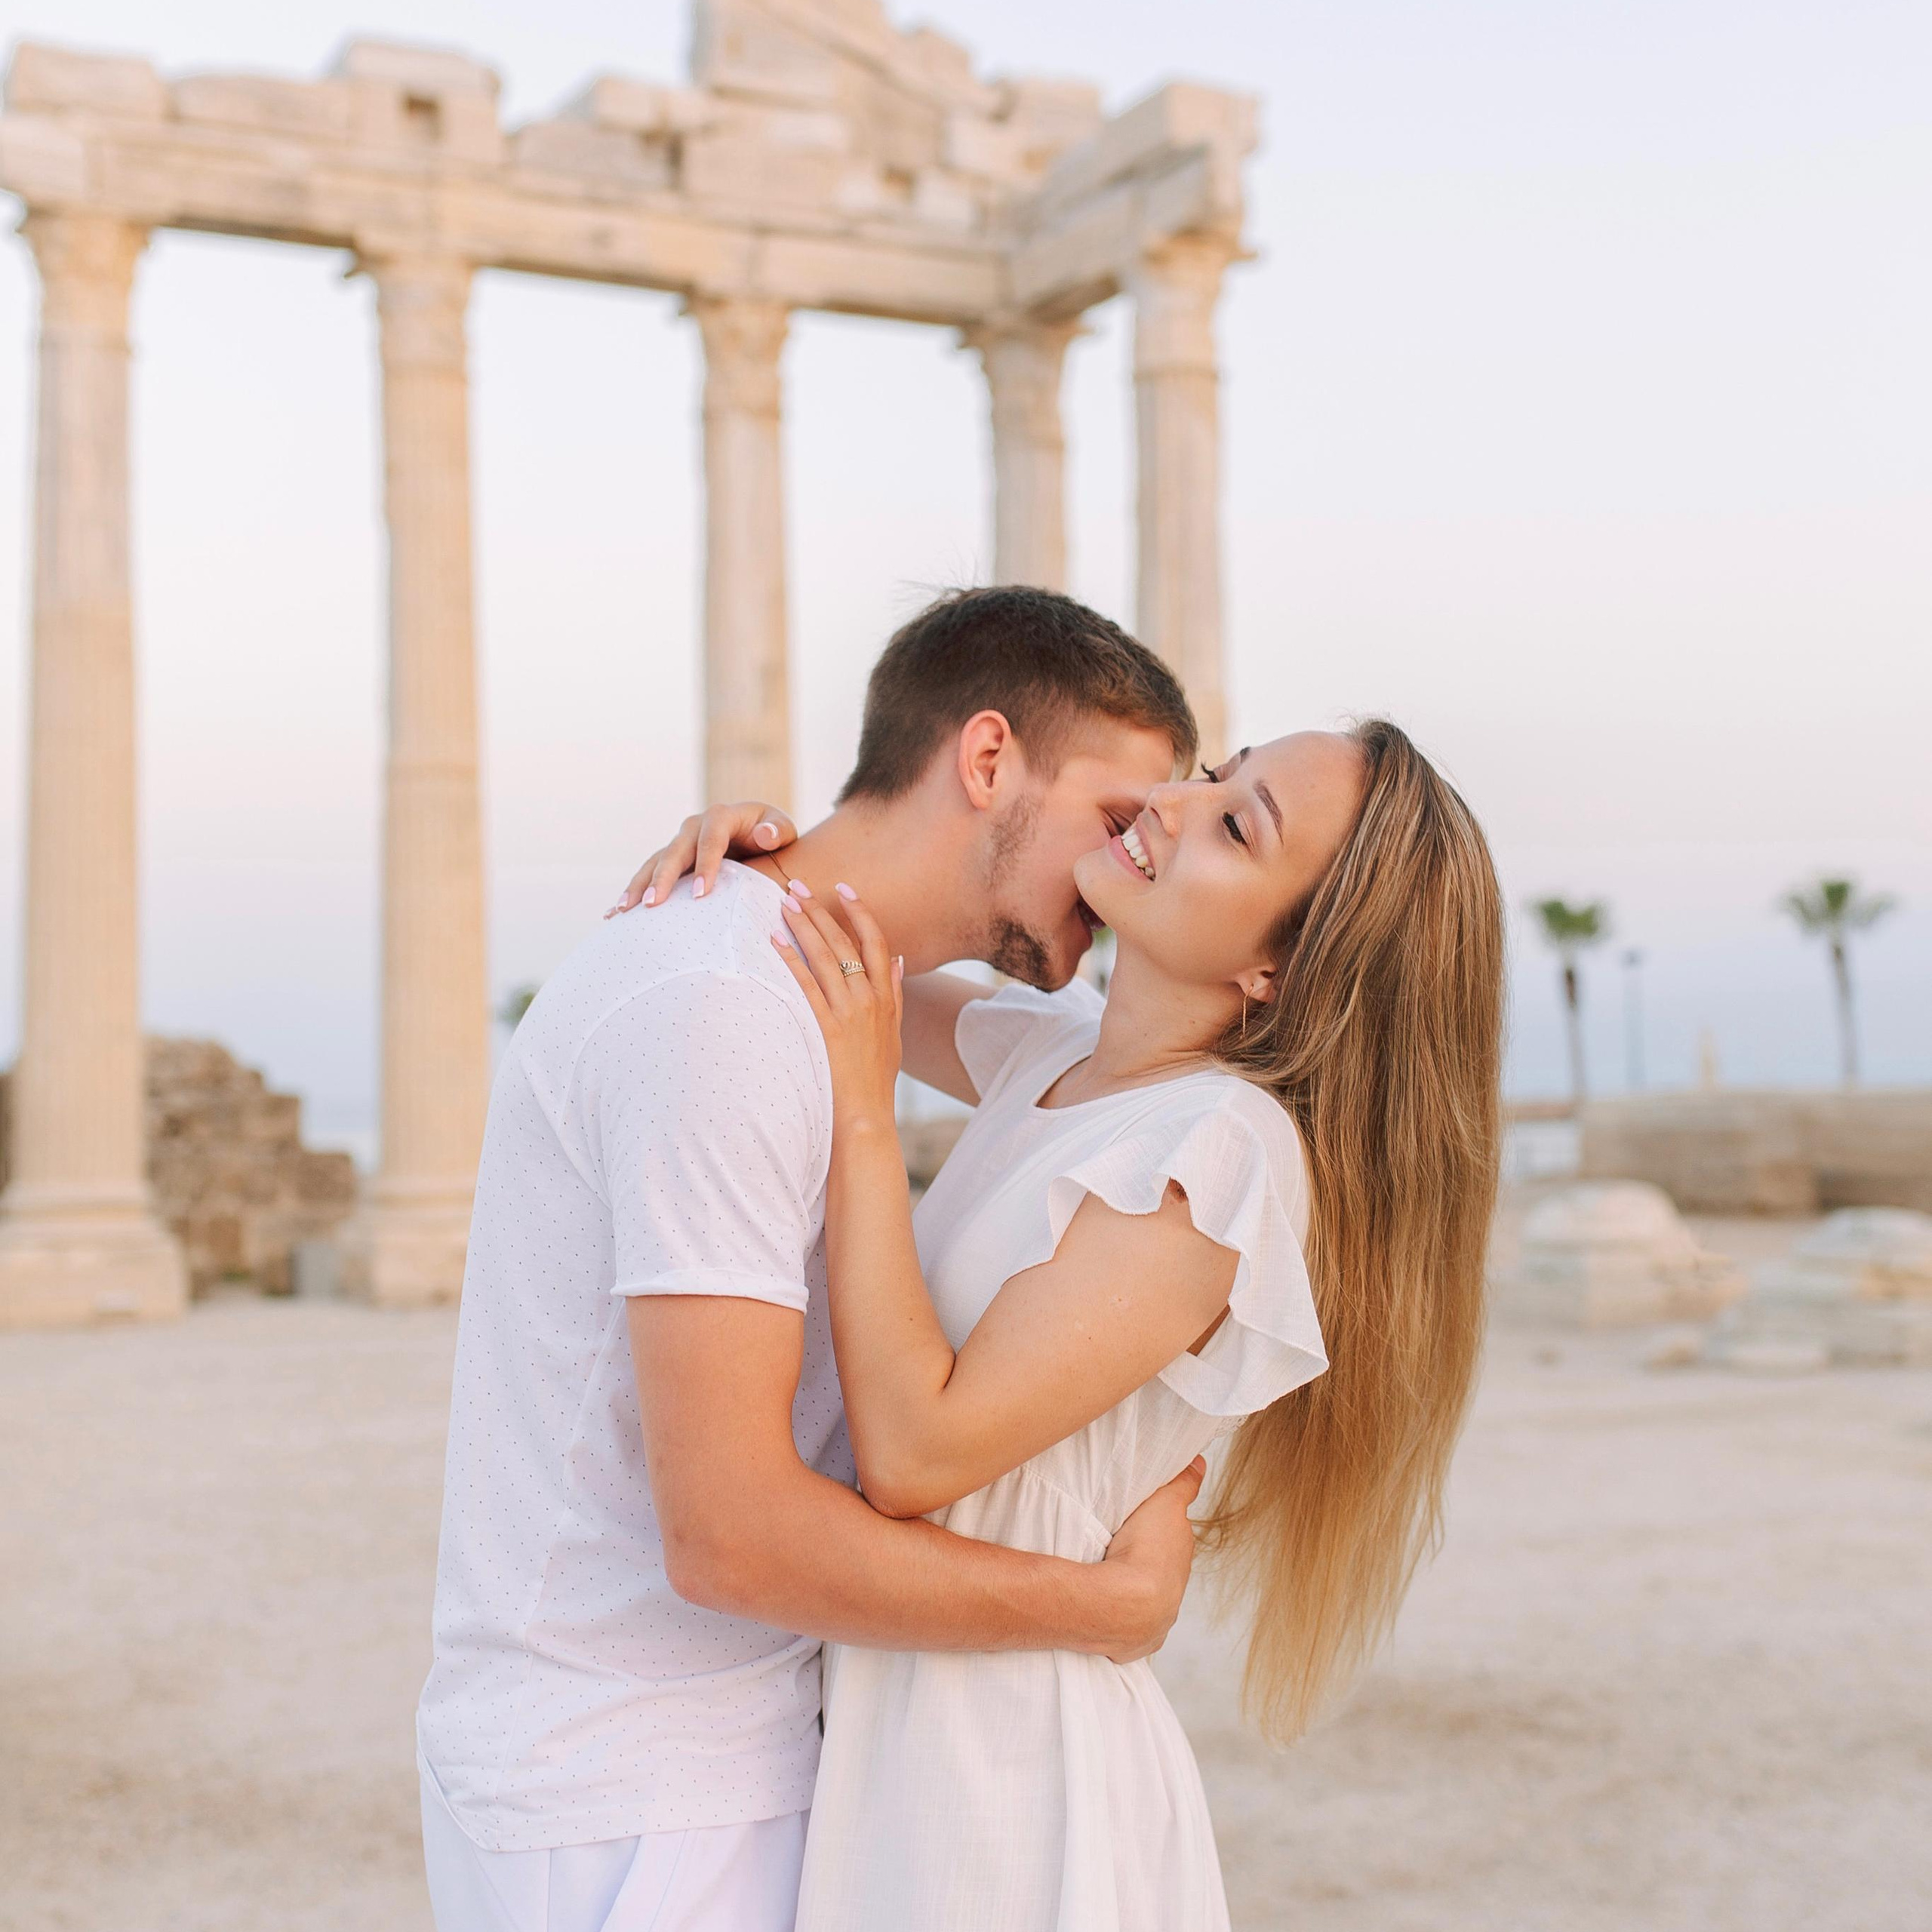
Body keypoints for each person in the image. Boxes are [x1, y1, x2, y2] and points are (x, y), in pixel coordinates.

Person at [414, 587, 1214, 1932]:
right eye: (1118, 818)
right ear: (985, 759)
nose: (1126, 870)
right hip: (639, 1800)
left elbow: (1128, 1074)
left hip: (710, 1764)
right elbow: (729, 1535)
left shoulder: (793, 973)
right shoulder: (721, 1008)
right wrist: (1103, 1608)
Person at [621, 718, 1505, 1928]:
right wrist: (758, 863)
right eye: (1215, 775)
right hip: (906, 1719)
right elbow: (833, 952)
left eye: (1237, 828)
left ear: (1284, 970)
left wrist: (868, 1120)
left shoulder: (1218, 1157)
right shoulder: (1063, 1060)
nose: (1171, 803)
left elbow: (917, 1454)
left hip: (1010, 1769)